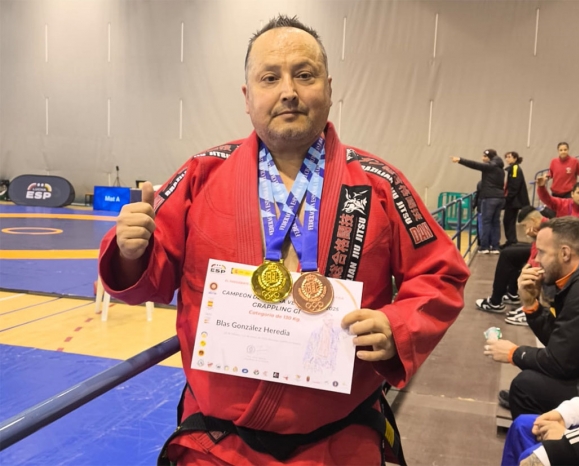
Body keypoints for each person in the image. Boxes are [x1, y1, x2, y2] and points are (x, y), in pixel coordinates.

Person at [98, 15, 470, 466]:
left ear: (329, 89)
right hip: (217, 447)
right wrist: (130, 251)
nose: (288, 90)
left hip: (339, 444)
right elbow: (149, 279)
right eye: (270, 78)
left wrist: (400, 325)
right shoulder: (201, 174)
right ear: (248, 96)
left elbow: (441, 273)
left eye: (305, 75)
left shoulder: (380, 183)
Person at [484, 217, 579, 419]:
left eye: (541, 252)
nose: (536, 259)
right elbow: (563, 342)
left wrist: (514, 353)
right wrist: (531, 306)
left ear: (565, 253)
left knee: (525, 387)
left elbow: (561, 363)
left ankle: (547, 448)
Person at [501, 360, 579, 466]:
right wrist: (564, 414)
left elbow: (563, 358)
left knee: (532, 456)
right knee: (523, 426)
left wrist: (566, 440)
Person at [475, 207, 544, 322]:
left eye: (524, 226)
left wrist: (529, 268)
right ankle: (511, 294)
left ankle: (529, 309)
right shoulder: (540, 229)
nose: (525, 230)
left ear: (533, 221)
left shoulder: (546, 230)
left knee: (508, 255)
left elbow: (539, 255)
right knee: (511, 252)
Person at [451, 149, 505, 254]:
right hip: (500, 198)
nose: (482, 158)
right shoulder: (500, 169)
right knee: (495, 222)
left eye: (484, 156)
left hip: (489, 198)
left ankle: (484, 247)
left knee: (486, 222)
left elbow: (475, 165)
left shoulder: (491, 166)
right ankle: (495, 247)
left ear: (489, 157)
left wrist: (460, 160)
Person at [503, 152, 530, 249]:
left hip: (514, 201)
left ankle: (511, 241)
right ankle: (511, 240)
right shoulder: (513, 168)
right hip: (514, 200)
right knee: (509, 220)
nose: (507, 159)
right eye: (506, 157)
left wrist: (508, 197)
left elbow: (514, 184)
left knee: (508, 220)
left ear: (515, 158)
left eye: (509, 157)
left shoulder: (514, 168)